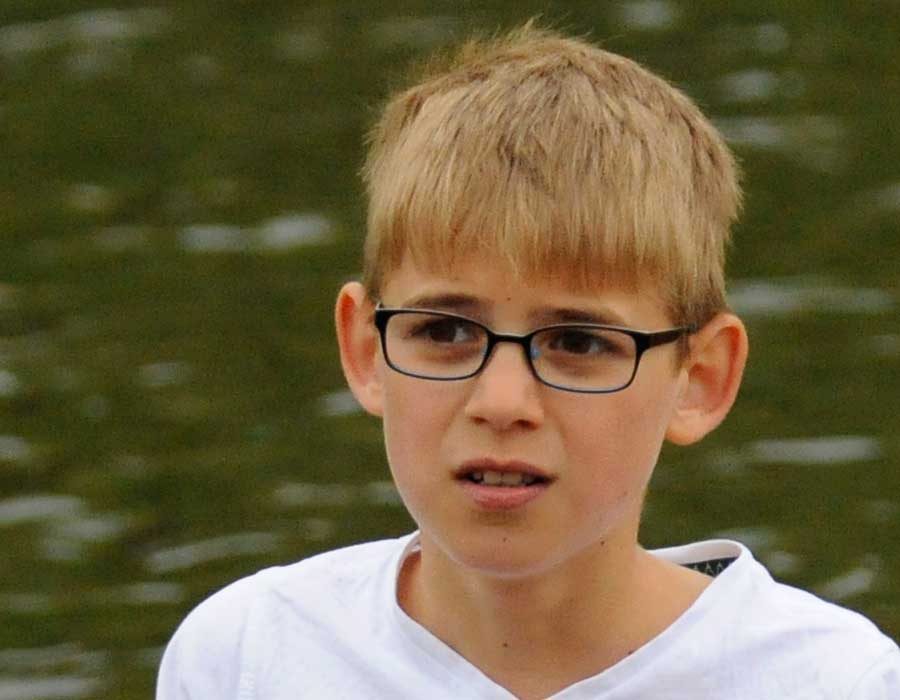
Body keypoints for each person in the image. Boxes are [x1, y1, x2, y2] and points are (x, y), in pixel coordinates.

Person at [156, 23, 899, 699]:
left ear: (700, 379)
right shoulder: (247, 658)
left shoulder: (835, 683)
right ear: (366, 349)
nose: (502, 402)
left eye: (578, 343)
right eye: (445, 331)